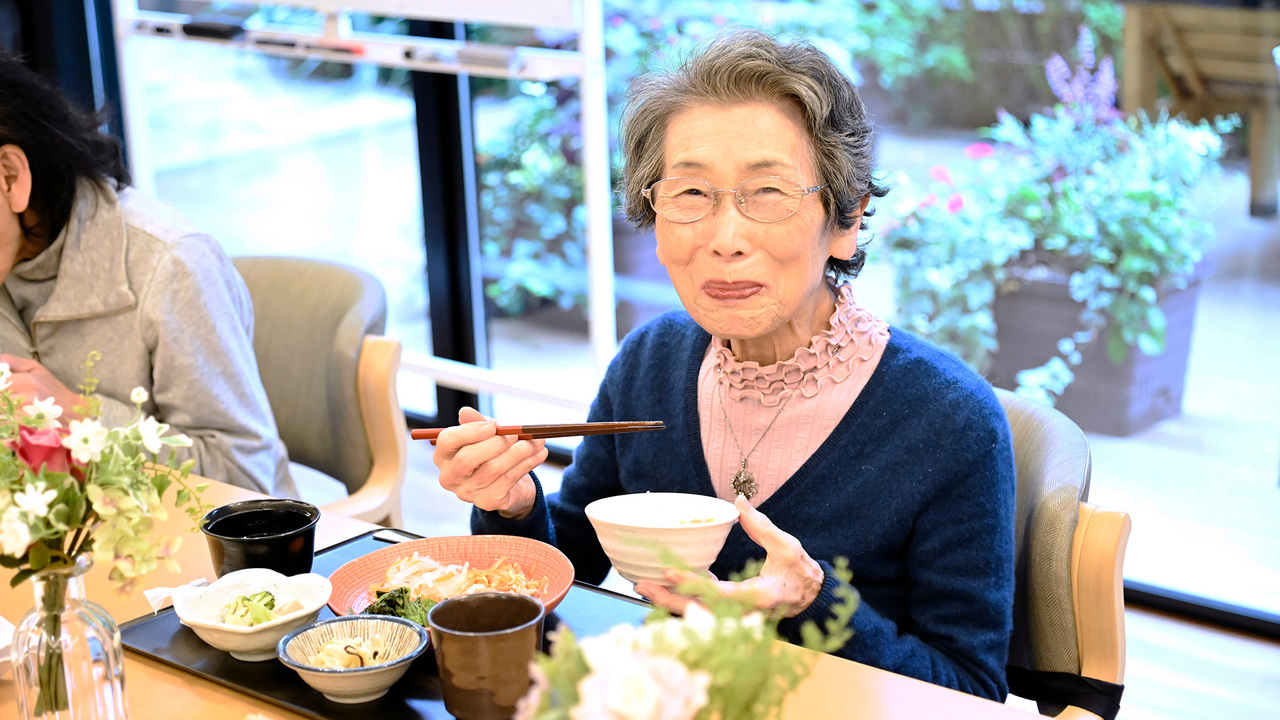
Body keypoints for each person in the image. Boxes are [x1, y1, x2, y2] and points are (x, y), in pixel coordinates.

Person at [433, 30, 1014, 700]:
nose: (725, 239)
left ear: (847, 218)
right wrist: (514, 506)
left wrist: (811, 605)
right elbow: (575, 561)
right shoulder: (650, 361)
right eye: (690, 195)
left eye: (767, 192)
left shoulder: (951, 422)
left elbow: (971, 692)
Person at [0, 52, 295, 497]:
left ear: (9, 176)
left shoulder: (171, 264)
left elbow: (242, 478)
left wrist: (77, 414)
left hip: (193, 549)